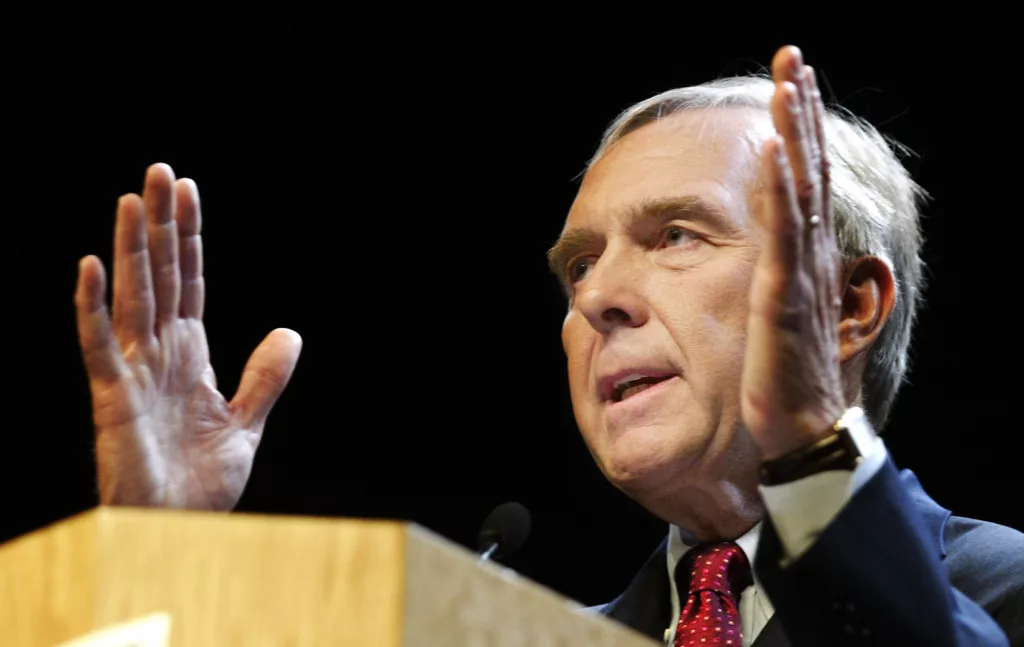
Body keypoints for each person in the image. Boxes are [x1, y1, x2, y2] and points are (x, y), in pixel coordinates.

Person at [73, 45, 1022, 646]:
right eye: (578, 266)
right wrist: (152, 555)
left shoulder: (999, 592)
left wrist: (810, 447)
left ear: (848, 304)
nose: (599, 295)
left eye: (676, 236)